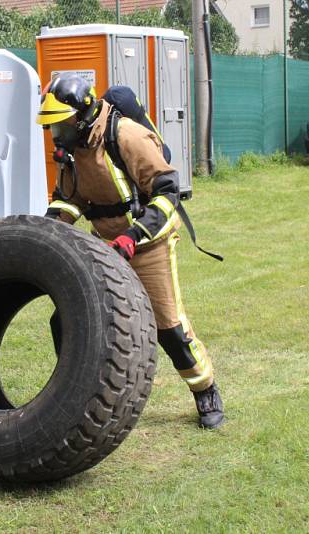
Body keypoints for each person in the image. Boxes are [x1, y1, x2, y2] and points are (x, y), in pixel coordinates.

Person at [37, 75, 225, 429]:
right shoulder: (73, 147)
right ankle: (79, 397)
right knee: (70, 318)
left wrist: (133, 236)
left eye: (59, 126)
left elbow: (168, 193)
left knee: (168, 325)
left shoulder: (126, 136)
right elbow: (68, 199)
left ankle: (205, 390)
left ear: (81, 115)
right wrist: (47, 231)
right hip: (105, 243)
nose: (55, 135)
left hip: (148, 242)